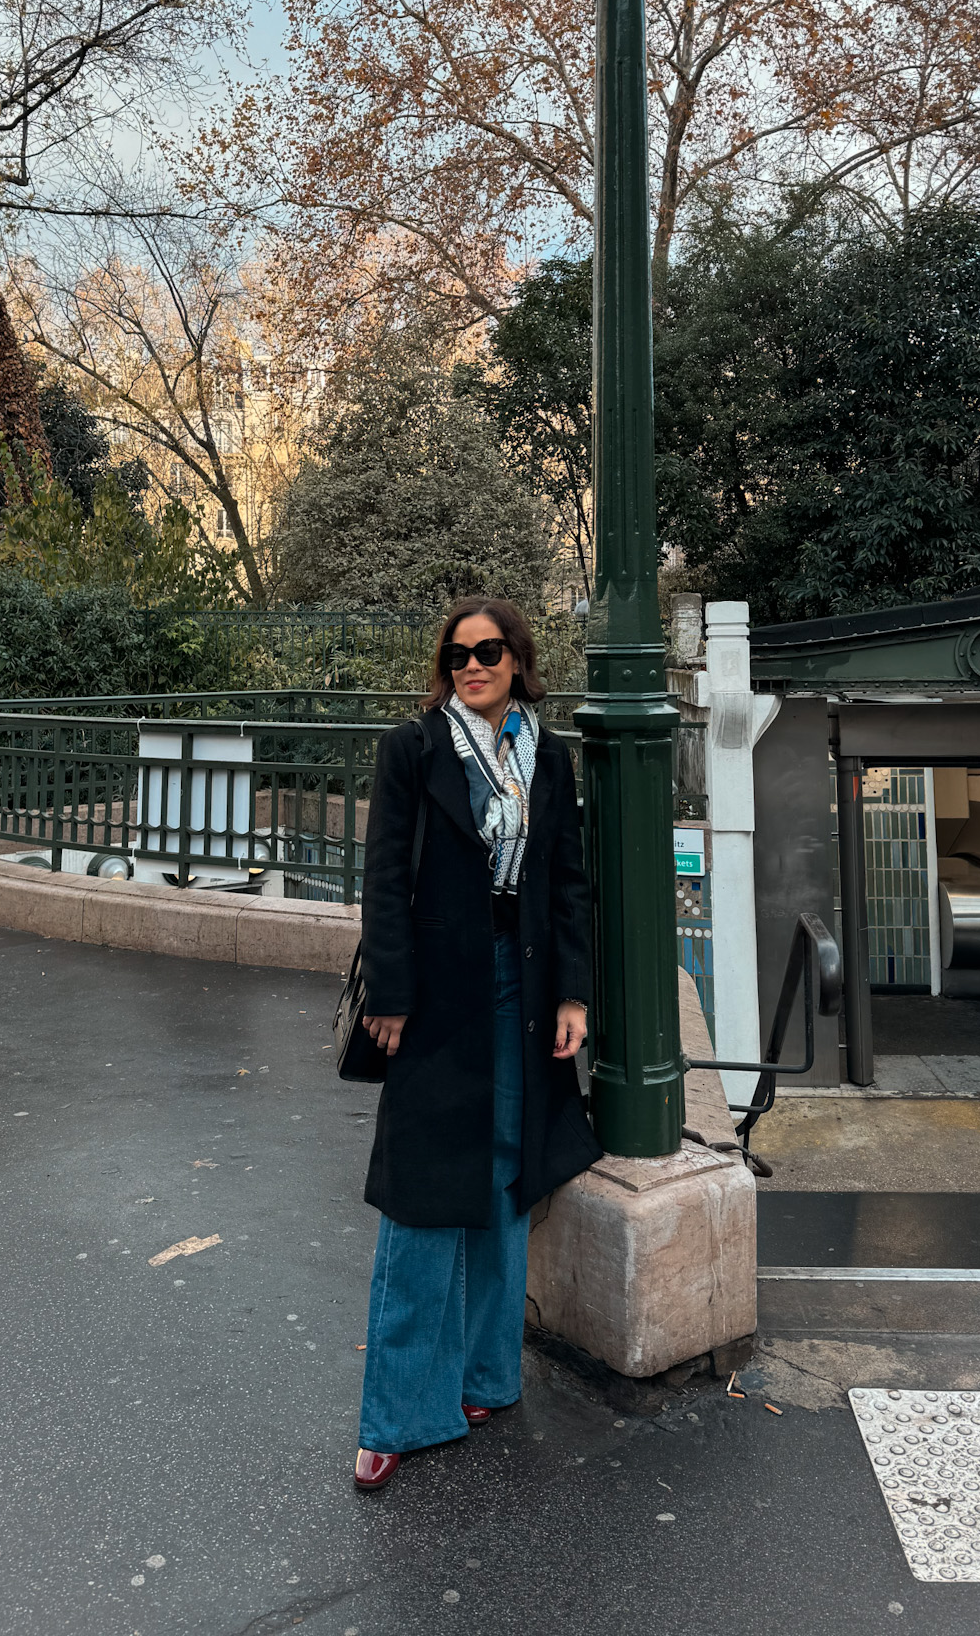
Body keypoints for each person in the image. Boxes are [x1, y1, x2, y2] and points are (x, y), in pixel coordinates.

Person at [352, 596, 601, 1490]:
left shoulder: (549, 757)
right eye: (458, 653)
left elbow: (568, 881)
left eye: (489, 650)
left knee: (506, 1168)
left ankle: (485, 1377)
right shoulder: (415, 747)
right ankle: (398, 1414)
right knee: (422, 1196)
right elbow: (383, 873)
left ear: (518, 660)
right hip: (434, 991)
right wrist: (390, 989)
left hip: (523, 986)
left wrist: (573, 992)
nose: (472, 664)